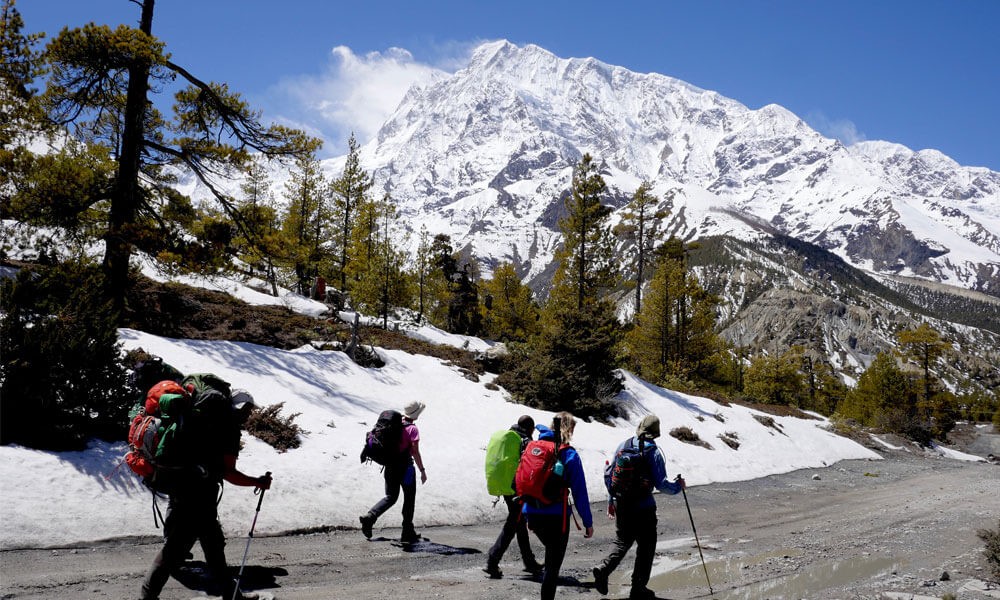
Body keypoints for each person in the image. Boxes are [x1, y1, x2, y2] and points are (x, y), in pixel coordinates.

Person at [139, 390, 273, 600]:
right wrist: (257, 482)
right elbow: (229, 473)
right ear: (240, 408)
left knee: (213, 546)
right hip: (198, 497)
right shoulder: (227, 428)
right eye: (247, 410)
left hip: (184, 490)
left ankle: (232, 594)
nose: (249, 415)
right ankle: (147, 596)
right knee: (176, 549)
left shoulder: (197, 419)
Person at [591, 414, 685, 600]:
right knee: (646, 546)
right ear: (656, 432)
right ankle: (638, 588)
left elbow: (612, 475)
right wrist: (678, 487)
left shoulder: (623, 445)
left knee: (622, 542)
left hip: (622, 503)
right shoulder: (654, 452)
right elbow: (661, 484)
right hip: (643, 508)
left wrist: (612, 501)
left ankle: (604, 568)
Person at [523, 411, 594, 600]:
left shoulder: (534, 446)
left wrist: (527, 513)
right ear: (569, 430)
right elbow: (580, 491)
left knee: (550, 556)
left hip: (532, 511)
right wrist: (587, 521)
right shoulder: (568, 453)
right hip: (556, 516)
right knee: (553, 566)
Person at [485, 415, 544, 578]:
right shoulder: (524, 441)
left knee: (519, 522)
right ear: (531, 428)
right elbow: (530, 466)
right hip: (516, 489)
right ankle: (492, 560)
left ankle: (529, 561)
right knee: (513, 524)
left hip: (505, 486)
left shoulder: (509, 437)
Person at [360, 401, 427, 543]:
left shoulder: (393, 425)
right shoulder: (412, 429)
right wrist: (422, 470)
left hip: (390, 466)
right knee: (409, 499)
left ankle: (370, 517)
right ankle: (407, 532)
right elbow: (414, 451)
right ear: (416, 414)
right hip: (406, 469)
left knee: (390, 497)